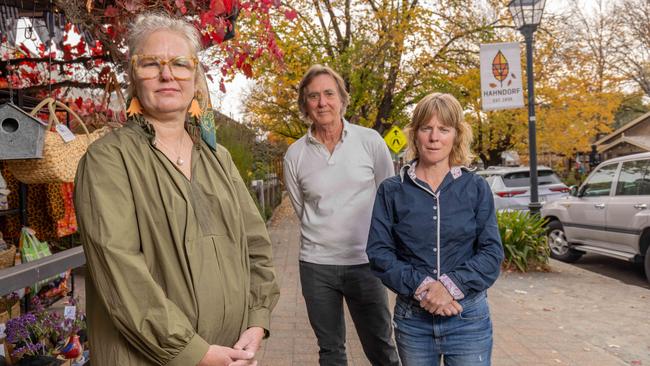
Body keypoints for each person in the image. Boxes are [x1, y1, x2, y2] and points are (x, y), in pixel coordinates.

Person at [74, 13, 279, 366]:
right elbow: (121, 274)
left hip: (230, 353)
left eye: (180, 64)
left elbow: (256, 246)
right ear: (133, 78)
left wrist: (257, 322)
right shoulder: (108, 160)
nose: (167, 74)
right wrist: (195, 353)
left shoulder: (218, 158)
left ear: (195, 77)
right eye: (151, 63)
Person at [366, 92, 504, 366]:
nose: (434, 137)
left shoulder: (475, 188)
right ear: (415, 134)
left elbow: (491, 253)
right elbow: (380, 253)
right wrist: (426, 288)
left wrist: (450, 287)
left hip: (468, 320)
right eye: (426, 128)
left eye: (444, 129)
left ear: (456, 135)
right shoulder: (392, 191)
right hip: (413, 322)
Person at [283, 64, 400, 366]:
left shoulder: (370, 141)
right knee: (331, 351)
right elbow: (302, 208)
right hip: (316, 266)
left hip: (366, 263)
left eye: (329, 94)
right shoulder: (295, 155)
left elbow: (388, 198)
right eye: (313, 96)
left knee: (382, 348)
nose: (322, 102)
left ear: (342, 99)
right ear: (305, 104)